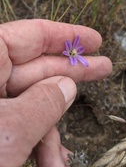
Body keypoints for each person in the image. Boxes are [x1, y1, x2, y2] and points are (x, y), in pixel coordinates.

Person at [0, 19, 112, 167]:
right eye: (72, 52)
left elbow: (74, 55)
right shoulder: (68, 52)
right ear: (69, 51)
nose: (73, 52)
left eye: (75, 51)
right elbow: (68, 52)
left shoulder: (74, 54)